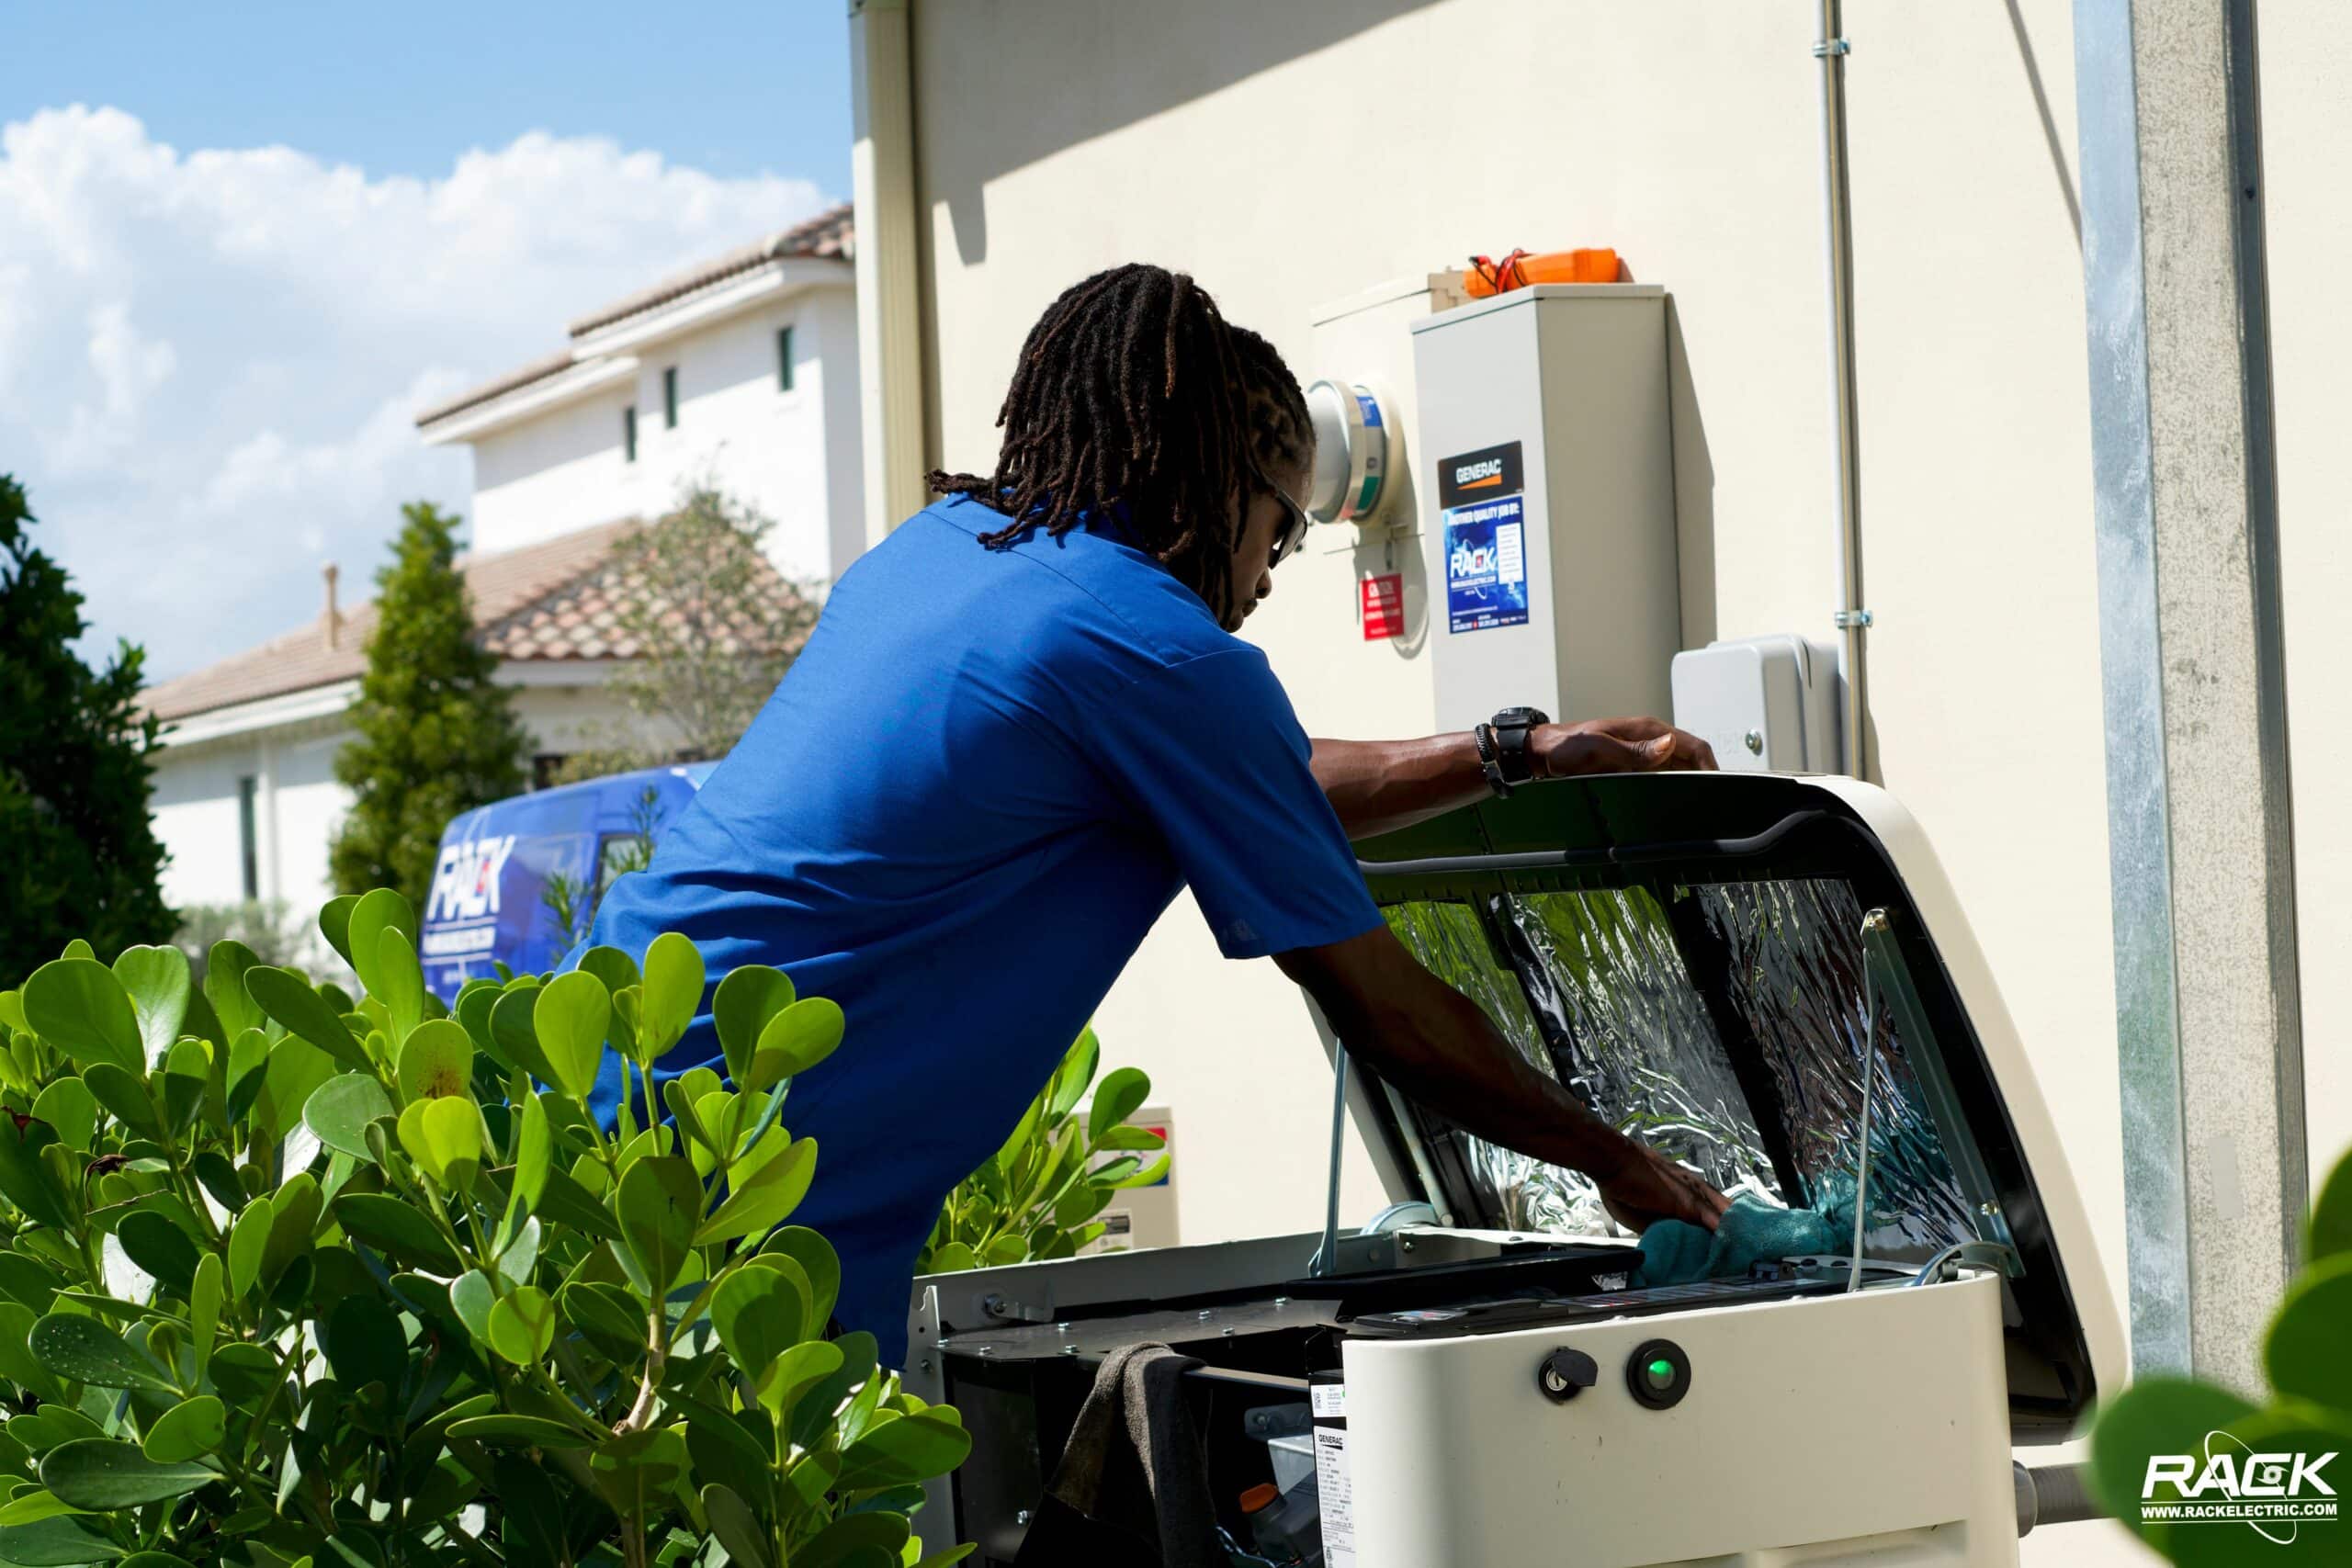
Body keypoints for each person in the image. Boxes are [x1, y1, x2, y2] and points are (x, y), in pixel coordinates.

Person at [580, 264, 1731, 1365]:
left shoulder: (941, 558)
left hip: (595, 1090)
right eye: (1281, 528)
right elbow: (1389, 1012)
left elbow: (1239, 788)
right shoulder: (1150, 654)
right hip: (742, 1186)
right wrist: (1622, 1165)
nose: (1270, 573)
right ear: (1224, 484)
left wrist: (1507, 754)